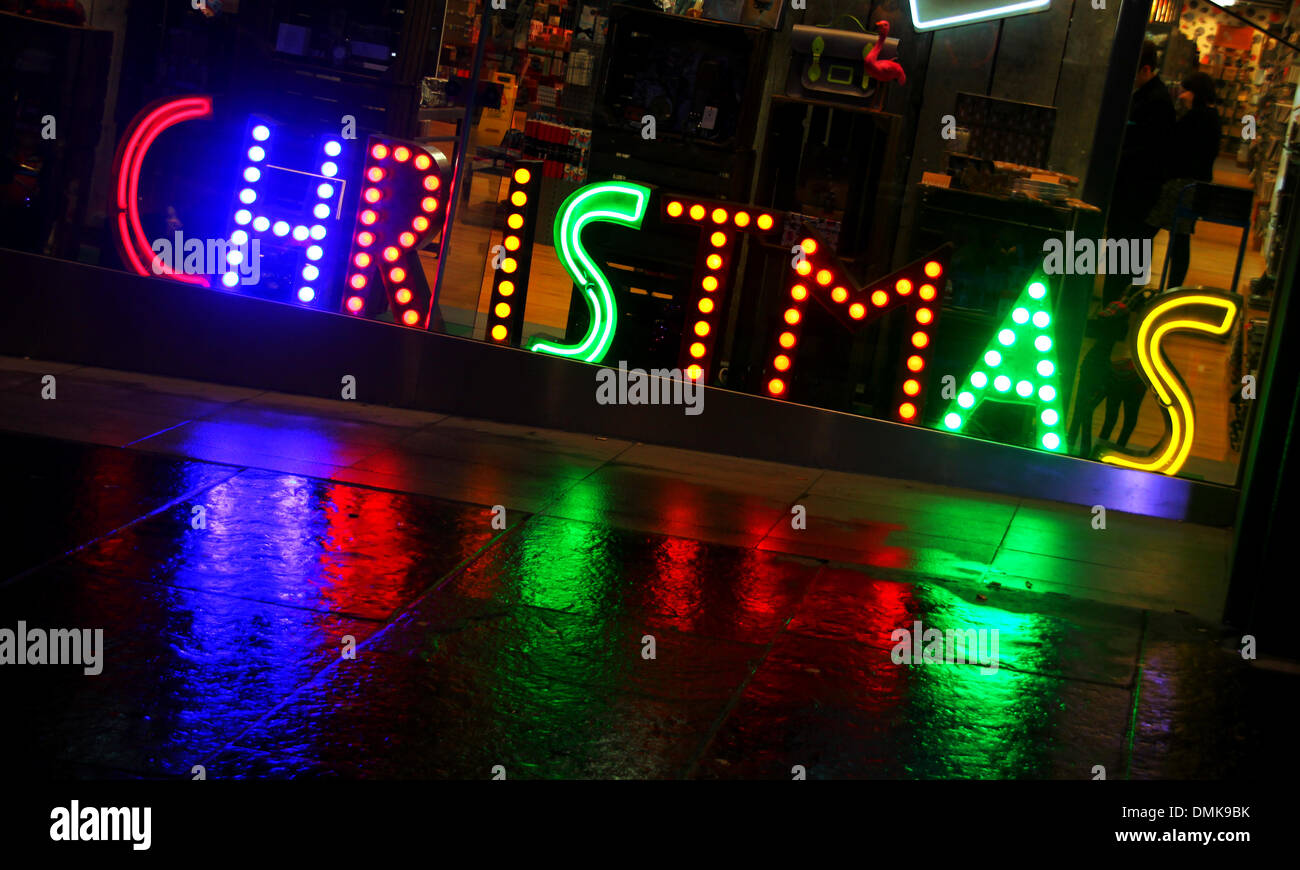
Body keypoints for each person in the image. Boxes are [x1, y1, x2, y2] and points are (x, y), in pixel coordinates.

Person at [1103, 41, 1176, 304]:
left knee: (1124, 252)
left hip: (1137, 191)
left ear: (1146, 69)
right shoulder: (1149, 96)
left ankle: (1114, 309)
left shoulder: (1156, 102)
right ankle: (1118, 306)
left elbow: (1150, 150)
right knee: (1126, 252)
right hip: (1136, 189)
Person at [1146, 72, 1221, 289]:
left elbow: (1174, 143)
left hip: (1181, 185)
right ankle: (1173, 287)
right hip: (1195, 186)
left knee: (1151, 230)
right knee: (1179, 238)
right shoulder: (1211, 116)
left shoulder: (1197, 117)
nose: (1182, 95)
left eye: (1187, 91)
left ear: (1197, 93)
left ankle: (1138, 282)